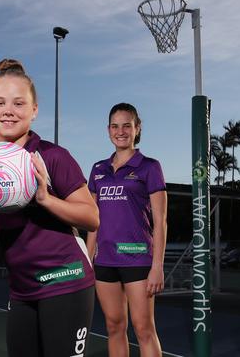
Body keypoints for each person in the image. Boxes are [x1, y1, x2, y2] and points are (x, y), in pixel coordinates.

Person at [0, 58, 99, 357]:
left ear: (34, 110)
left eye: (19, 103)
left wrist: (45, 198)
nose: (8, 110)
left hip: (66, 281)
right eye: (0, 102)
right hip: (22, 290)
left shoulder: (51, 156)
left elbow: (91, 217)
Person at [86, 103, 167, 357]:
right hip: (105, 261)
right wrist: (88, 260)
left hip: (138, 258)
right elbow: (91, 221)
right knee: (114, 326)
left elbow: (161, 221)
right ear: (108, 129)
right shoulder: (98, 169)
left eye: (126, 125)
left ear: (137, 128)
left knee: (143, 329)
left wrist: (157, 266)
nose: (120, 131)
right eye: (115, 126)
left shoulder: (149, 166)